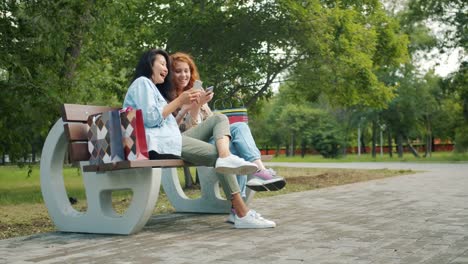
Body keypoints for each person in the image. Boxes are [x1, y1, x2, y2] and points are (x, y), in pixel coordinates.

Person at [122, 48, 276, 228]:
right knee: (219, 155)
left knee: (219, 117)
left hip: (170, 139)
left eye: (166, 65)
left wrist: (188, 105)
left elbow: (164, 122)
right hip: (161, 144)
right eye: (162, 64)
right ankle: (241, 213)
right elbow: (151, 119)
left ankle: (226, 157)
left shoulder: (151, 88)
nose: (166, 69)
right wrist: (180, 102)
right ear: (149, 64)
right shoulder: (142, 83)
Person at [169, 52, 286, 221]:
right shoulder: (172, 97)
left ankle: (259, 170)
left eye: (186, 71)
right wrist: (190, 108)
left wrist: (202, 105)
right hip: (186, 144)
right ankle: (240, 204)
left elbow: (211, 126)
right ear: (171, 74)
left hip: (207, 139)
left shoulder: (195, 93)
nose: (183, 75)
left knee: (238, 128)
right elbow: (182, 131)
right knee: (228, 143)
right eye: (178, 71)